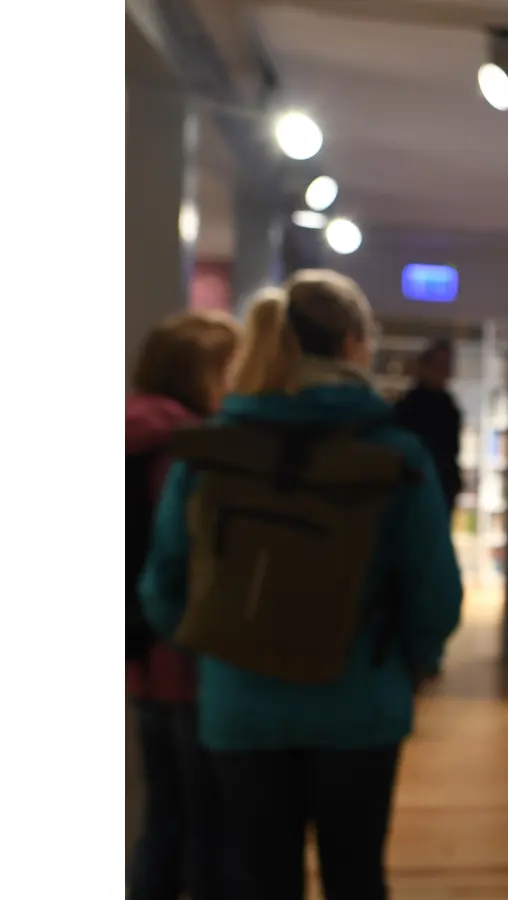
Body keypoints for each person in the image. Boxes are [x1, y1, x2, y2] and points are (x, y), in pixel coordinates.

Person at [140, 271, 464, 900]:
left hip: (240, 706)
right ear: (353, 345)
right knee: (356, 876)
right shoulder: (397, 456)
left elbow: (162, 587)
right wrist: (411, 665)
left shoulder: (208, 453)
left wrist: (218, 652)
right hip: (361, 703)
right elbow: (435, 594)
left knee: (258, 880)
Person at [126, 310, 239, 900]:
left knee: (162, 818)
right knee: (208, 828)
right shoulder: (186, 453)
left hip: (138, 658)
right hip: (188, 658)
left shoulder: (126, 434)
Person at [393, 339, 463, 509]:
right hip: (415, 486)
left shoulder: (449, 405)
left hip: (441, 485)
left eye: (447, 365)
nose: (444, 371)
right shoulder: (410, 405)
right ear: (425, 367)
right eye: (439, 365)